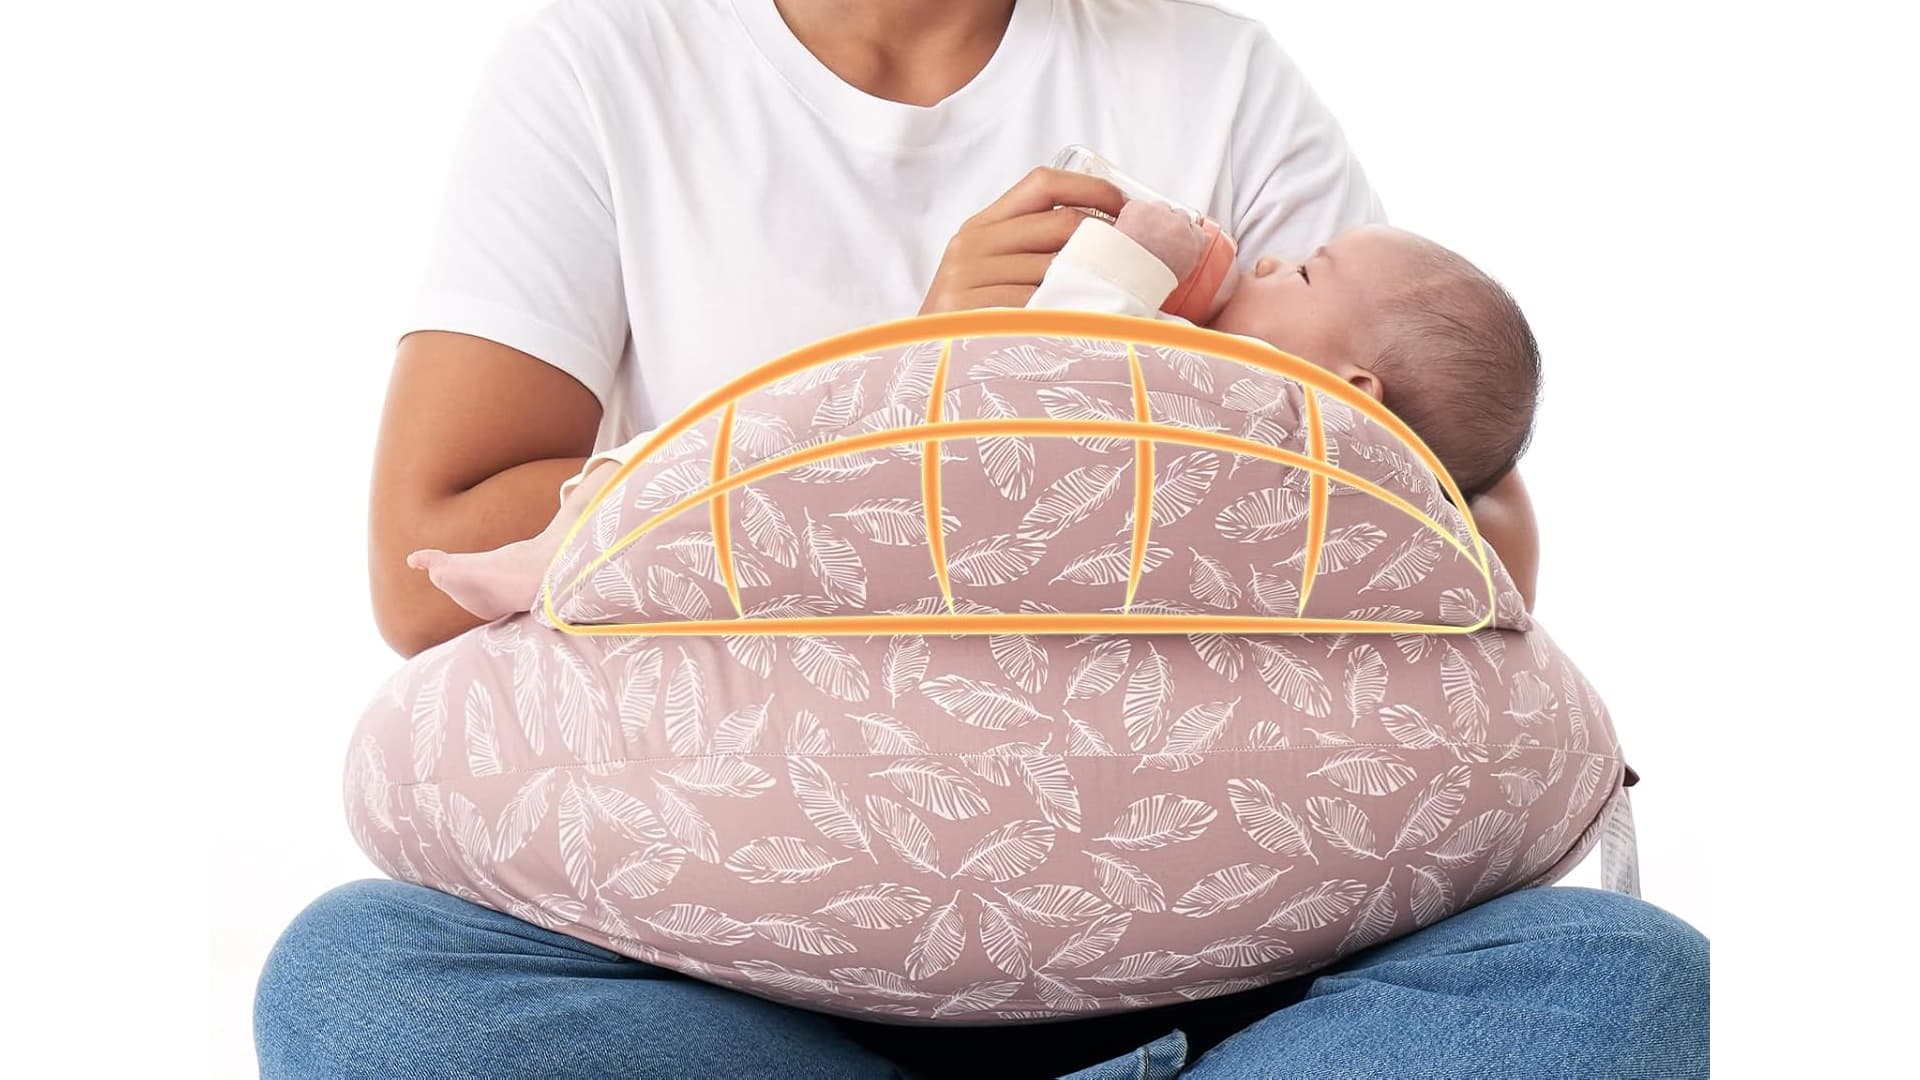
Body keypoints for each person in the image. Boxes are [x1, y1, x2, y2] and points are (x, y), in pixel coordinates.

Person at [255, 1, 1707, 1076]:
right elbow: (427, 560)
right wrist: (915, 373)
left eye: (1286, 271)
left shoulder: (1207, 70)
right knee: (369, 982)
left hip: (1223, 983)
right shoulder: (609, 60)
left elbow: (1474, 521)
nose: (1258, 270)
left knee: (1614, 976)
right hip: (733, 972)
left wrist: (1198, 416)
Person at [404, 208, 1538, 625]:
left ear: (1355, 395)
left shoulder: (1236, 409)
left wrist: (1139, 253)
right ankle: (554, 559)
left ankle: (565, 555)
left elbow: (1075, 334)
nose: (1275, 259)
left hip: (947, 537)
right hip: (894, 485)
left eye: (1305, 274)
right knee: (680, 467)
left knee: (690, 471)